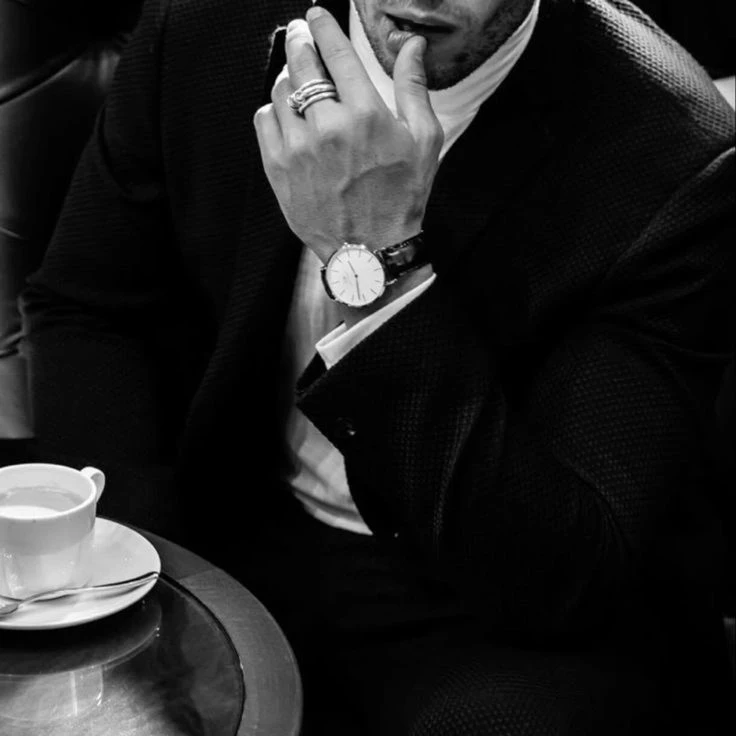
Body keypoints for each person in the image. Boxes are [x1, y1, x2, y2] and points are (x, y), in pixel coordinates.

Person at [18, 0, 735, 733]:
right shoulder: (206, 23)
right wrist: (141, 565)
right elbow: (91, 308)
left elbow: (557, 573)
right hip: (227, 526)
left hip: (483, 597)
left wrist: (379, 258)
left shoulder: (678, 155)